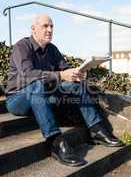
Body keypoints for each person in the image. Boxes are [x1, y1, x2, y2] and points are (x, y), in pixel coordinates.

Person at [5, 14, 123, 167]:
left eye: (52, 26)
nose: (49, 30)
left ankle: (96, 130)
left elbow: (65, 70)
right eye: (45, 26)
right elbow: (28, 75)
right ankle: (55, 142)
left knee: (76, 85)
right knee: (36, 84)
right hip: (18, 99)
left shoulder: (52, 49)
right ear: (33, 29)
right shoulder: (22, 46)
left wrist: (77, 73)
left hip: (43, 95)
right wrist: (61, 75)